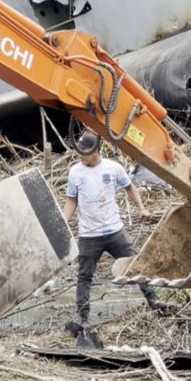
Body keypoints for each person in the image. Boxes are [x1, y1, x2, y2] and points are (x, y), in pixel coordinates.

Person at [63, 132, 160, 328]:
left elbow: (129, 187)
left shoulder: (113, 168)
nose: (81, 156)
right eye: (79, 152)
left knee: (135, 265)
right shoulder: (75, 172)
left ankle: (154, 301)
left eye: (85, 152)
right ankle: (83, 317)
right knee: (84, 276)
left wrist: (141, 208)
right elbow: (71, 200)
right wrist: (64, 221)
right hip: (89, 235)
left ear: (96, 150)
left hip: (114, 231)